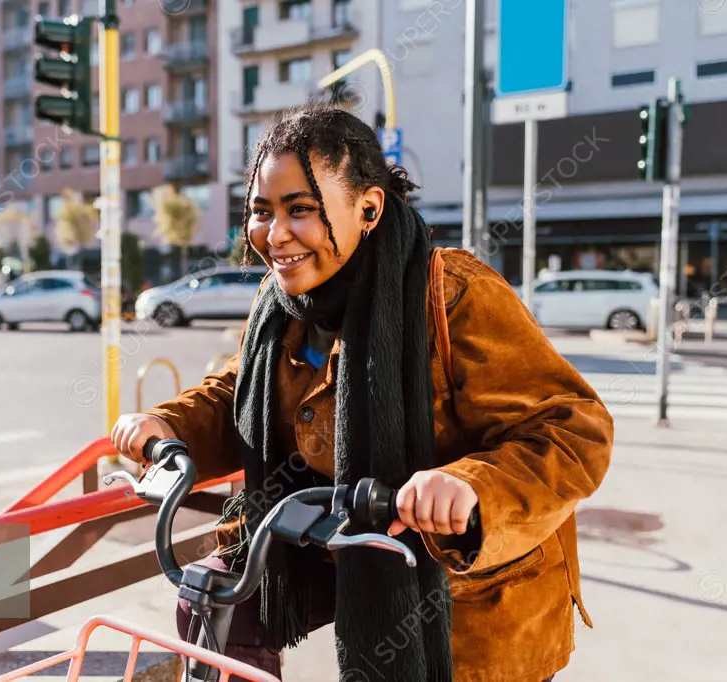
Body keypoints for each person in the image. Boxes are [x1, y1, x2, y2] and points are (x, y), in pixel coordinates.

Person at [111, 106, 613, 682]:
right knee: (221, 596)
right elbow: (239, 396)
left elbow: (574, 430)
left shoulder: (453, 296)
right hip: (336, 544)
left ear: (368, 208)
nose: (274, 236)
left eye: (301, 209)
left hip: (465, 596)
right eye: (260, 212)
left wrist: (469, 487)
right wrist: (167, 426)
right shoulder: (281, 306)